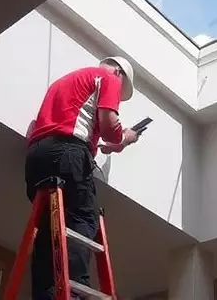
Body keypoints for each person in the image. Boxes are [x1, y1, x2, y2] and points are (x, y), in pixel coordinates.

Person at [25, 56, 140, 299]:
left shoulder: (63, 82)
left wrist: (110, 144)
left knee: (49, 232)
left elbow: (46, 125)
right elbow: (109, 126)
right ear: (119, 73)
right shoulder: (110, 78)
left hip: (37, 157)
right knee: (83, 219)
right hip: (68, 154)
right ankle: (73, 293)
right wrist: (125, 137)